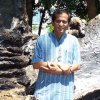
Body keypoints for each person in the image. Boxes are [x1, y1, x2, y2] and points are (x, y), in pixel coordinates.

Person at [31, 9, 81, 100]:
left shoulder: (73, 41)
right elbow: (35, 64)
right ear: (53, 23)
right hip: (43, 93)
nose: (61, 24)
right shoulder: (42, 40)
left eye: (64, 22)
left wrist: (60, 70)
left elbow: (77, 65)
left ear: (68, 24)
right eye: (58, 21)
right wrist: (59, 64)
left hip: (65, 92)